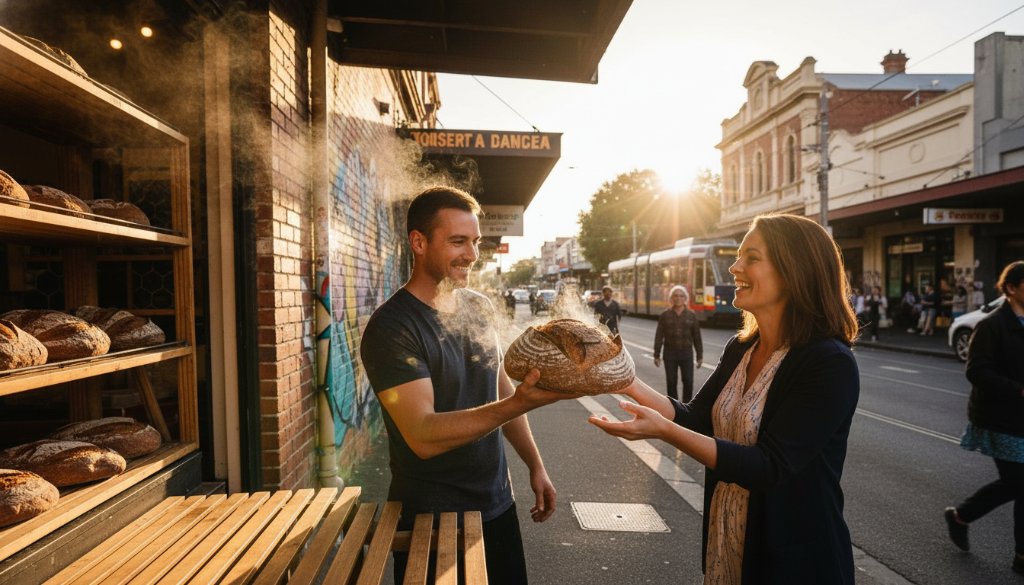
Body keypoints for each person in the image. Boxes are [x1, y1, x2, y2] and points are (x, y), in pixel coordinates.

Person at [589, 213, 860, 584]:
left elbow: (769, 466)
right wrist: (621, 379)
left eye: (751, 257)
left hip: (792, 563)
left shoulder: (829, 362)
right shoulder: (742, 347)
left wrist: (663, 431)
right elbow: (697, 416)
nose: (734, 267)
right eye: (738, 256)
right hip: (728, 543)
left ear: (794, 271)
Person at [360, 186, 573, 585]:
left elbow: (500, 389)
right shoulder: (392, 328)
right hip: (431, 518)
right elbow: (422, 435)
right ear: (419, 242)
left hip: (496, 504)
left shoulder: (478, 306)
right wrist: (520, 404)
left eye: (474, 242)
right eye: (457, 241)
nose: (471, 254)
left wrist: (535, 465)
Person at [944, 261, 1024, 575]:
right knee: (1020, 483)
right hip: (1001, 417)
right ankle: (1021, 555)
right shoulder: (992, 325)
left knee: (1016, 484)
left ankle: (961, 516)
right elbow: (976, 370)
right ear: (1012, 288)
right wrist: (1017, 390)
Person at [653, 285, 703, 402]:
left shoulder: (691, 315)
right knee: (671, 382)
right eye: (675, 295)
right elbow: (659, 336)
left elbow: (697, 337)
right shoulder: (665, 315)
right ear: (672, 298)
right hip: (670, 353)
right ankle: (674, 408)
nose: (678, 298)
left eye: (681, 296)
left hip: (686, 353)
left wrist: (699, 356)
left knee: (688, 381)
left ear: (685, 298)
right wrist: (656, 354)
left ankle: (686, 407)